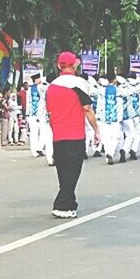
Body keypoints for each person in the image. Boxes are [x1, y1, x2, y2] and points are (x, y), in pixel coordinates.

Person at [45, 52, 100, 218]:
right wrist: (96, 129)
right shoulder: (78, 84)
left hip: (58, 134)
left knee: (63, 171)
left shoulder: (52, 86)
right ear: (73, 65)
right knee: (72, 171)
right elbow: (87, 108)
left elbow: (50, 111)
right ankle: (61, 204)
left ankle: (69, 203)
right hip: (74, 133)